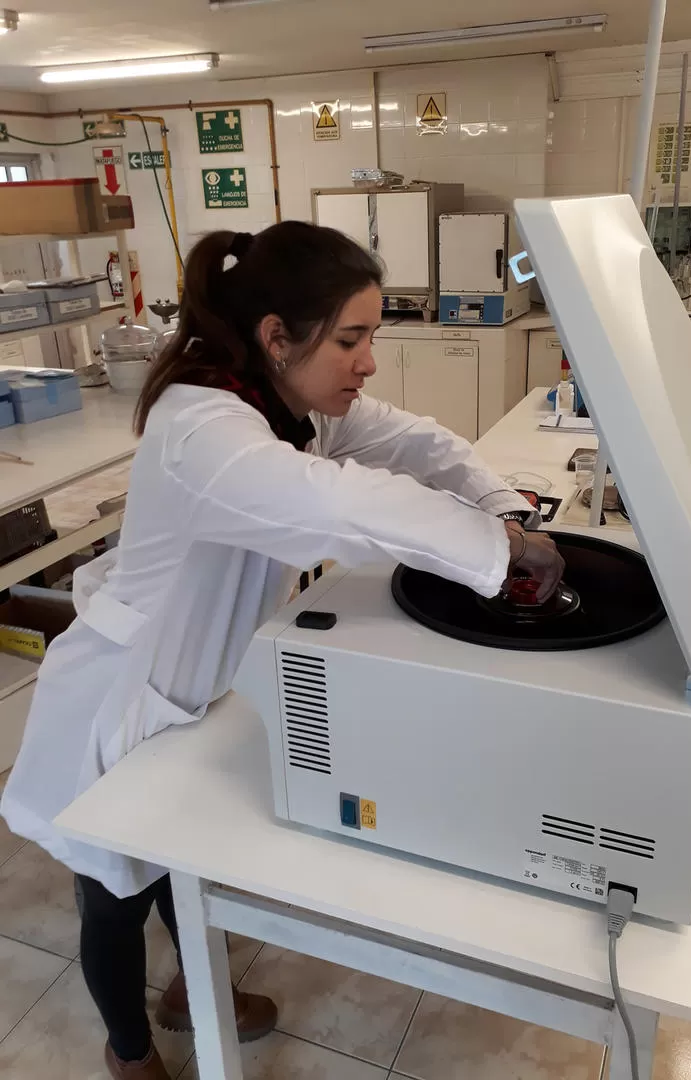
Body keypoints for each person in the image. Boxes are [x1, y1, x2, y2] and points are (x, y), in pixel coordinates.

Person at [1, 222, 564, 1080]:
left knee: (176, 854)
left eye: (372, 336)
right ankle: (129, 1053)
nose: (368, 361)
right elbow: (341, 506)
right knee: (116, 887)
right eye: (351, 339)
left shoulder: (288, 405)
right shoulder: (204, 428)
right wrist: (496, 551)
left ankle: (194, 992)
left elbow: (417, 444)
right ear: (276, 335)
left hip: (198, 691)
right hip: (122, 699)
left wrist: (506, 509)